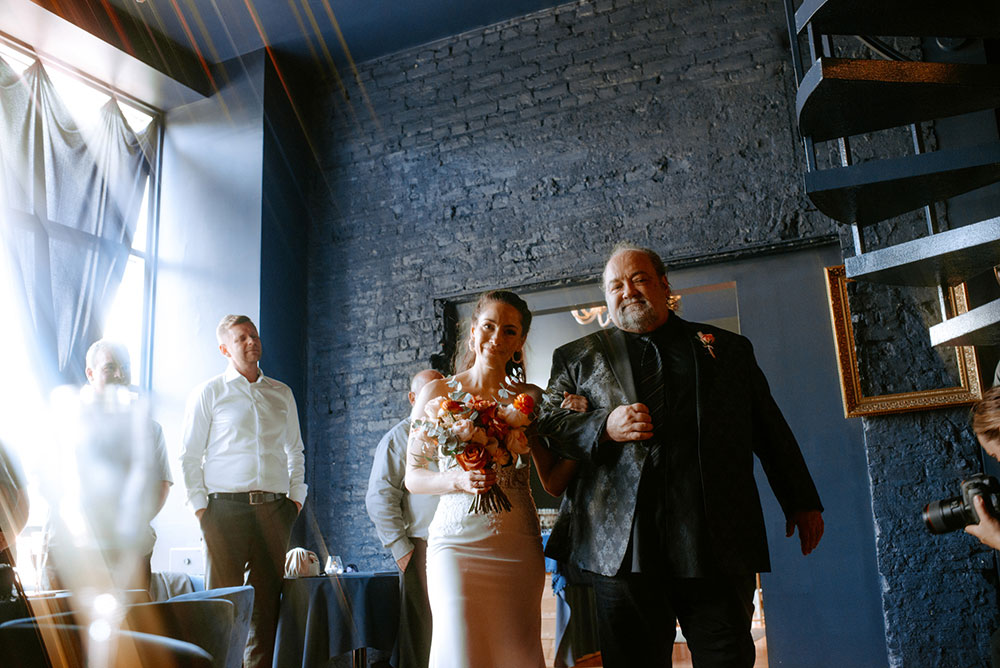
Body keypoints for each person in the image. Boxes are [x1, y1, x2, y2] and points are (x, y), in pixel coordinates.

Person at [538, 243, 825, 668]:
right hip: (623, 549)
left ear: (663, 284)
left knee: (727, 659)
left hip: (715, 542)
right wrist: (604, 426)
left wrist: (800, 500)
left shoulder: (727, 349)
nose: (628, 291)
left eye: (638, 279)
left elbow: (769, 428)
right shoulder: (578, 358)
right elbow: (548, 426)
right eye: (616, 285)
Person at [405, 290, 551, 668]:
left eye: (509, 331)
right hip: (456, 545)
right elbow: (414, 476)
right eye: (488, 326)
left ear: (519, 343)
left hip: (517, 545)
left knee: (516, 655)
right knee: (460, 652)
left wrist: (589, 422)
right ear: (472, 332)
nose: (496, 338)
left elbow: (551, 478)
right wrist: (455, 479)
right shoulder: (438, 393)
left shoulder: (531, 400)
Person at [180, 315, 307, 668]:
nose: (251, 341)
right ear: (224, 348)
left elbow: (294, 451)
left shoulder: (281, 393)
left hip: (274, 511)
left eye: (254, 335)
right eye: (241, 338)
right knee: (222, 607)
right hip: (224, 512)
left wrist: (295, 501)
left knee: (266, 609)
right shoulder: (209, 393)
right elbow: (189, 456)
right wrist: (201, 512)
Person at [44, 340, 172, 592]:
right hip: (71, 548)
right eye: (109, 367)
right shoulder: (65, 424)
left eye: (125, 367)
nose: (119, 374)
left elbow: (161, 485)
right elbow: (50, 483)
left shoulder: (150, 429)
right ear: (90, 374)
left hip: (129, 550)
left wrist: (129, 526)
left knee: (134, 627)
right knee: (66, 626)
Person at [366, 368, 444, 668]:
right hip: (419, 549)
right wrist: (402, 549)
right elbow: (379, 497)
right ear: (413, 397)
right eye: (429, 392)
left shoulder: (454, 430)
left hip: (456, 545)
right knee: (420, 634)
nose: (437, 398)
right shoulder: (398, 438)